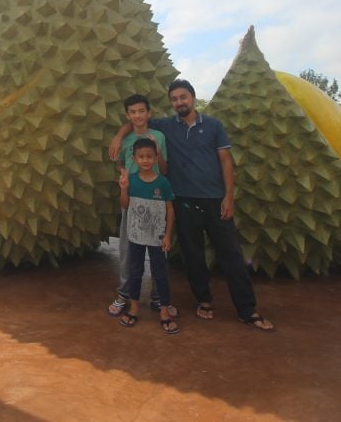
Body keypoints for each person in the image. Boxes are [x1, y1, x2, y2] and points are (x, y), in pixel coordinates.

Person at [109, 79, 275, 332]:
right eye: (174, 99)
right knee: (193, 255)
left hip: (213, 198)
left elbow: (226, 161)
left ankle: (247, 309)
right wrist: (119, 136)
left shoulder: (213, 126)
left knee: (231, 254)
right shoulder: (167, 125)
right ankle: (204, 301)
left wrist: (229, 196)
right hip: (184, 199)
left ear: (193, 97)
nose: (179, 102)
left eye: (183, 97)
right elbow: (136, 120)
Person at [107, 94, 178, 319]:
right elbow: (119, 164)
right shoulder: (125, 140)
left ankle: (160, 297)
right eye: (133, 112)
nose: (137, 116)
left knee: (159, 254)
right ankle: (124, 294)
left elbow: (165, 169)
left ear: (149, 113)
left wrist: (158, 150)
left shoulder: (158, 136)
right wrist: (123, 175)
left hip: (156, 200)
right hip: (132, 199)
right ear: (128, 115)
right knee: (128, 252)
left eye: (141, 111)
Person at [116, 137, 178, 334]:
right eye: (141, 157)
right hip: (135, 236)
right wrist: (124, 189)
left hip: (157, 237)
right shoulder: (132, 180)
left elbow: (170, 210)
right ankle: (134, 308)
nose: (145, 160)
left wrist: (168, 236)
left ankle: (164, 312)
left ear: (155, 158)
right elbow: (125, 205)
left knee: (160, 274)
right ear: (134, 159)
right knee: (135, 272)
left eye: (149, 157)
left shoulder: (163, 182)